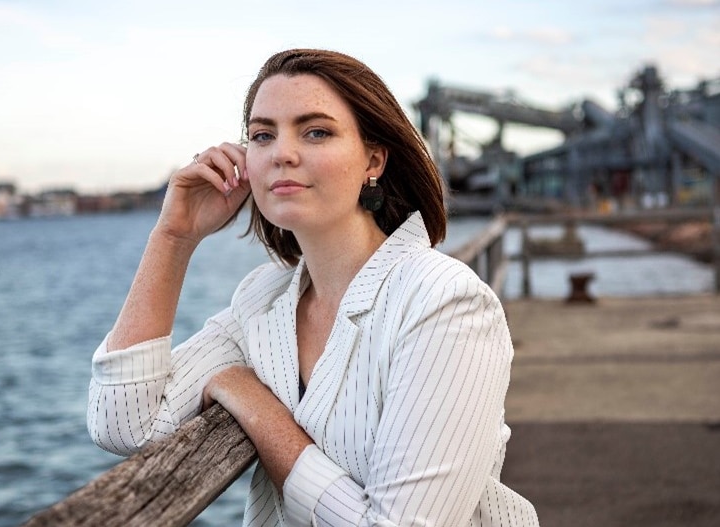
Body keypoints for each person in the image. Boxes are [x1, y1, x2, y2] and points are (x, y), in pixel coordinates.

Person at [87, 48, 538, 526]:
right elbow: (124, 424)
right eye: (262, 135)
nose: (282, 152)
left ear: (374, 159)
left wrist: (255, 405)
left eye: (316, 131)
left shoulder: (444, 302)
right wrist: (174, 237)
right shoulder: (262, 301)